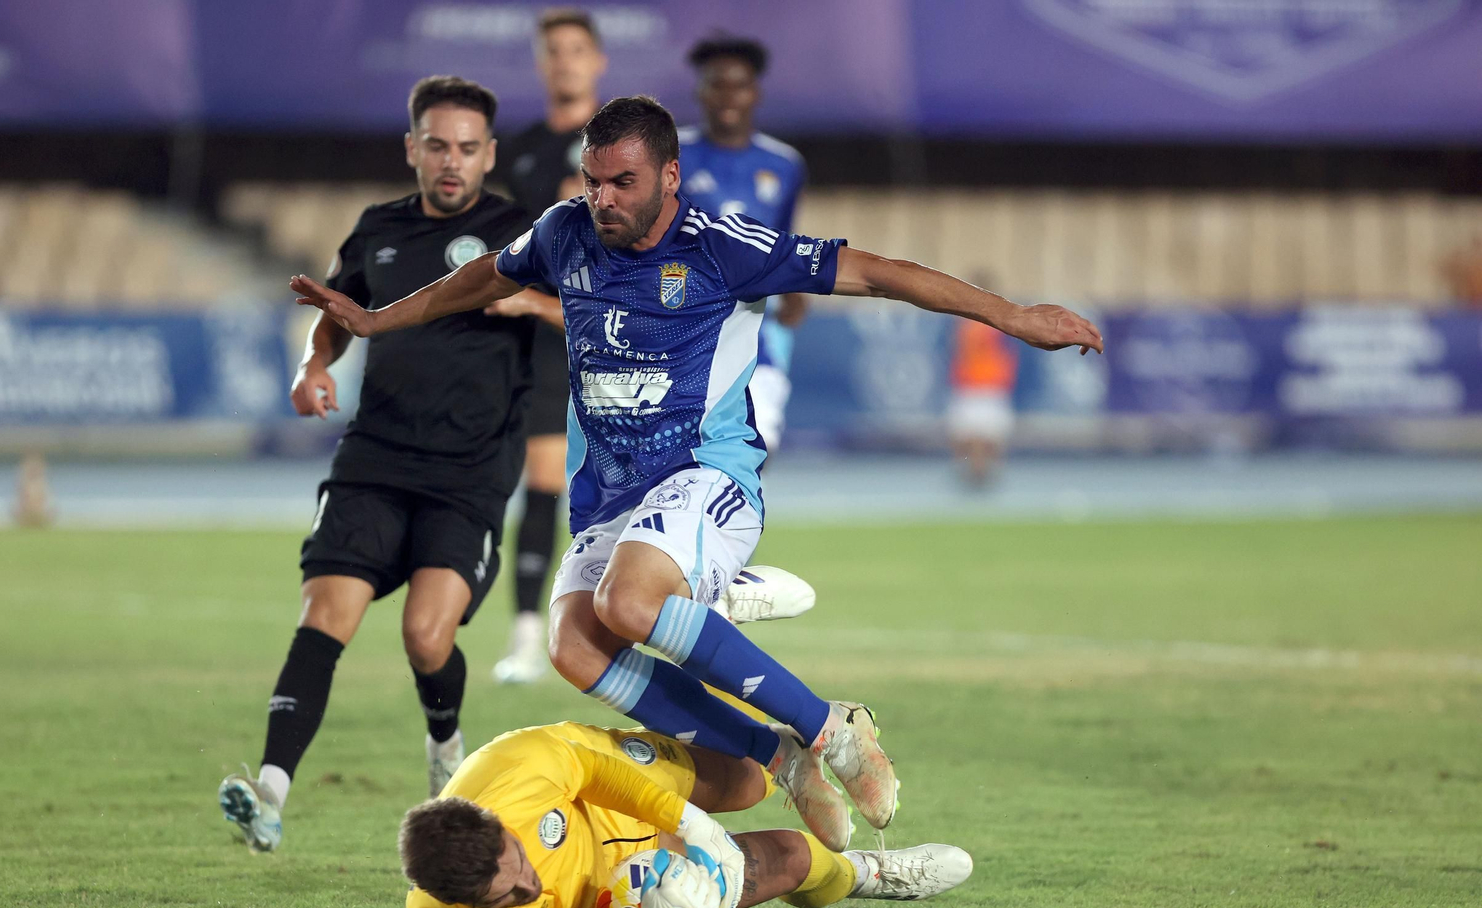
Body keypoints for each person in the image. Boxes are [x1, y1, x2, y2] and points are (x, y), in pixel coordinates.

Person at [288, 95, 1103, 847]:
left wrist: (1011, 315)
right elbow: (480, 278)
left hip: (707, 476)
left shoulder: (722, 248)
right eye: (593, 180)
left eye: (623, 182)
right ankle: (777, 755)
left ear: (670, 177)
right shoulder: (564, 232)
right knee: (575, 647)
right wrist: (376, 321)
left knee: (628, 601)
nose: (603, 198)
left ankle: (832, 729)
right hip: (610, 497)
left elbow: (877, 271)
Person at [218, 76, 562, 852]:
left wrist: (529, 302)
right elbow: (339, 313)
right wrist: (315, 364)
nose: (452, 161)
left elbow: (591, 311)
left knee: (425, 638)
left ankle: (444, 742)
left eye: (467, 148)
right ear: (413, 149)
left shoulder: (523, 233)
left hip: (470, 472)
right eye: (437, 145)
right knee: (323, 616)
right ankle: (269, 794)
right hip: (374, 458)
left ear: (490, 155)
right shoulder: (378, 228)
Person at [399, 721, 974, 908]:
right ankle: (868, 873)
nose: (529, 886)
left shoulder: (516, 769)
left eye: (520, 862)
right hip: (613, 896)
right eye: (507, 897)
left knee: (747, 779)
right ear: (460, 903)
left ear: (499, 825)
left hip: (614, 786)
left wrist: (692, 824)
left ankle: (711, 619)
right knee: (796, 858)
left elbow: (595, 773)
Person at [491, 8, 608, 684]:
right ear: (542, 64)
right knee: (541, 487)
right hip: (546, 343)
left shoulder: (621, 144)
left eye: (576, 49)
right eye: (553, 51)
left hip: (617, 341)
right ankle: (527, 643)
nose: (565, 61)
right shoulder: (524, 150)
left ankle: (650, 629)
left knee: (631, 492)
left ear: (597, 61)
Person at [678, 35, 807, 455]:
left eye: (740, 85)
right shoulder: (670, 153)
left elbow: (783, 239)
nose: (728, 96)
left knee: (755, 446)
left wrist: (795, 289)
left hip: (757, 331)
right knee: (683, 454)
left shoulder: (785, 164)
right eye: (717, 84)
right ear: (701, 91)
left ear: (756, 92)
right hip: (683, 327)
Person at [947, 312, 1020, 489]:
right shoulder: (965, 325)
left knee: (991, 437)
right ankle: (970, 473)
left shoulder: (999, 323)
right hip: (970, 386)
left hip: (991, 386)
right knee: (967, 436)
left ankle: (987, 474)